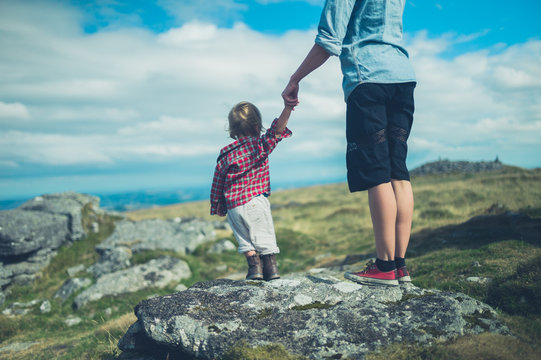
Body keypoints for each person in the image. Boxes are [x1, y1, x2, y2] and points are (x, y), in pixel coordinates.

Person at [282, 0, 416, 286]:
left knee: (376, 172)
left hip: (368, 78)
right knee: (398, 172)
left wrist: (295, 78)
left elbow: (328, 40)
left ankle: (384, 266)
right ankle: (400, 266)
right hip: (403, 78)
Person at [210, 101, 293, 281]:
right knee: (264, 237)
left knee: (245, 240)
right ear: (257, 126)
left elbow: (217, 183)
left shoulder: (225, 154)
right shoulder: (260, 146)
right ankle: (271, 269)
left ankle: (254, 269)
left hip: (233, 207)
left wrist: (217, 205)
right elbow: (277, 131)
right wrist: (288, 108)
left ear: (232, 130)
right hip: (255, 201)